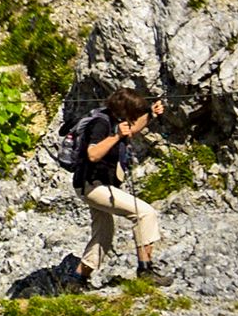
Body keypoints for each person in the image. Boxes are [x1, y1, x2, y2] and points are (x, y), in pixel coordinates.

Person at [71, 87, 167, 282]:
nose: (134, 118)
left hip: (94, 184)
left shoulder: (113, 119)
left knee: (103, 234)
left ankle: (77, 279)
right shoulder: (101, 123)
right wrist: (116, 137)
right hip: (92, 186)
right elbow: (93, 154)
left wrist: (151, 114)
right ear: (125, 111)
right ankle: (145, 270)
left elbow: (130, 131)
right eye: (134, 113)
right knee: (144, 213)